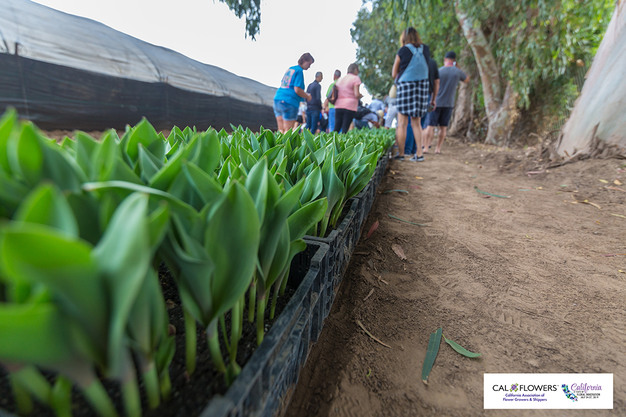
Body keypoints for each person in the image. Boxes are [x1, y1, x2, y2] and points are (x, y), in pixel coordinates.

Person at [391, 27, 434, 162]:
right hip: (422, 86)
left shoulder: (403, 50)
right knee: (417, 122)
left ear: (404, 38)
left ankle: (401, 154)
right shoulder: (425, 49)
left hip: (405, 86)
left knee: (402, 123)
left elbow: (394, 73)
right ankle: (419, 154)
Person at [423, 51, 469, 154]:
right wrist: (458, 67)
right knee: (443, 128)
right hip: (449, 104)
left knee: (430, 126)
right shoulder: (457, 72)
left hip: (436, 102)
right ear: (454, 60)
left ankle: (425, 147)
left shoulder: (439, 71)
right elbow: (466, 80)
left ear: (445, 59)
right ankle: (438, 149)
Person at [273, 53, 314, 133]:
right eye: (309, 64)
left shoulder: (291, 69)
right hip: (289, 101)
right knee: (288, 131)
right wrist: (307, 96)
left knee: (280, 130)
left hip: (278, 99)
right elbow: (297, 89)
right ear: (304, 61)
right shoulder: (299, 71)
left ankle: (279, 141)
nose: (309, 67)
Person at [333, 63, 363, 133]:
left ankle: (331, 139)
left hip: (338, 105)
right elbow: (356, 94)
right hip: (349, 106)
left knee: (336, 127)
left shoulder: (340, 79)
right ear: (356, 70)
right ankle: (342, 139)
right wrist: (360, 95)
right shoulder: (355, 78)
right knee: (345, 128)